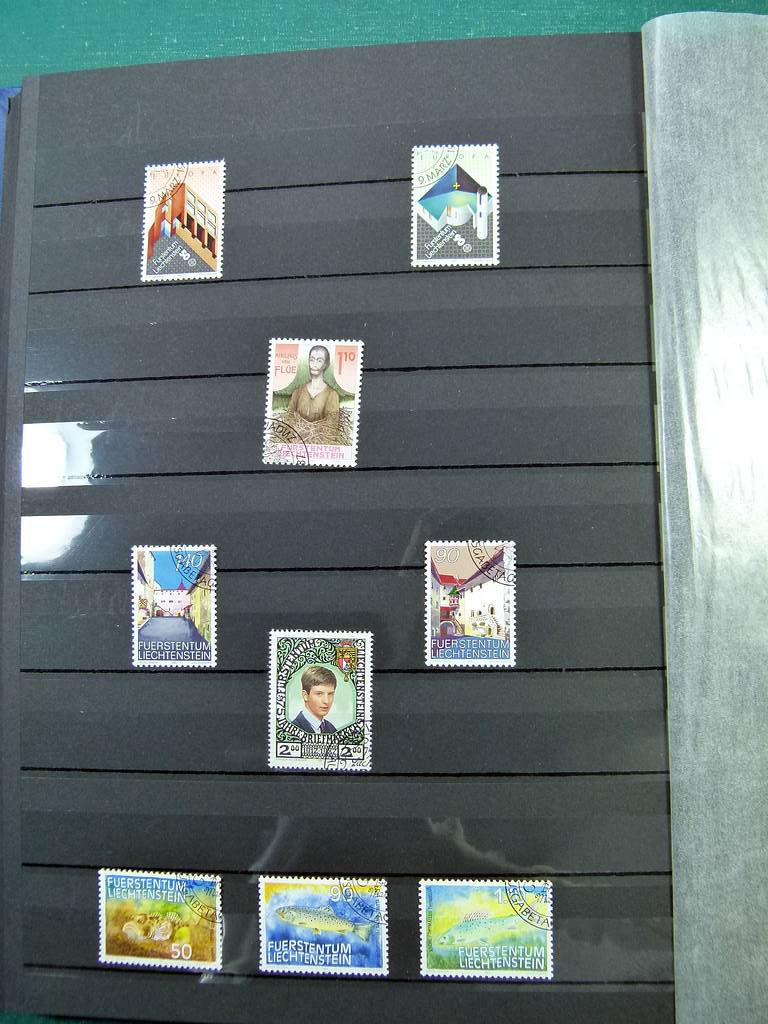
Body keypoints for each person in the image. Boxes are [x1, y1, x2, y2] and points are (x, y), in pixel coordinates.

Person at [287, 345, 340, 429]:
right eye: (311, 360)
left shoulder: (332, 395)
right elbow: (288, 420)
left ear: (325, 365)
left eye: (319, 361)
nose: (314, 364)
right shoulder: (297, 392)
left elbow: (331, 427)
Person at [292, 665, 338, 734]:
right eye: (319, 694)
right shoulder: (292, 729)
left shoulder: (332, 729)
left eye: (330, 694)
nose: (326, 701)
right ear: (305, 695)